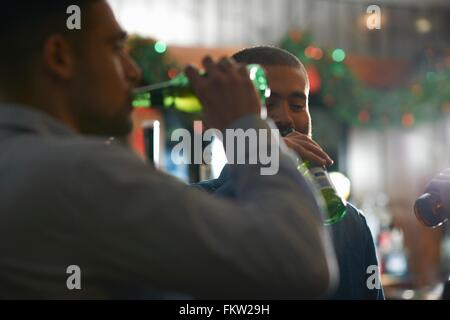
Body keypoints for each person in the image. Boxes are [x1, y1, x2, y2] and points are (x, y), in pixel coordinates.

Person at [0, 1, 337, 299]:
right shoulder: (81, 173)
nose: (133, 71)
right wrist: (247, 126)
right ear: (60, 57)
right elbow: (301, 262)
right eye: (116, 49)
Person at [196, 46, 384, 299]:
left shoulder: (349, 223)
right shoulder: (194, 206)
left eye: (297, 104)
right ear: (224, 121)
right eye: (266, 104)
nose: (285, 118)